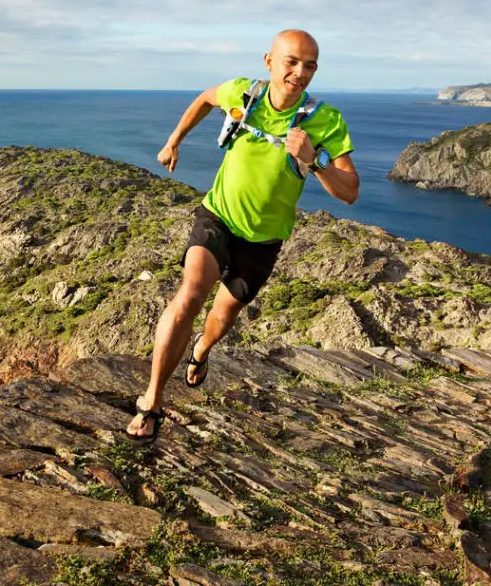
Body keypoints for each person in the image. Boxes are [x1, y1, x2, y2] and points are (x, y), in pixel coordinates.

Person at [125, 29, 360, 443]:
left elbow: (351, 191)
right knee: (191, 293)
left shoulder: (326, 121)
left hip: (263, 240)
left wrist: (314, 161)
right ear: (269, 61)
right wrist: (173, 141)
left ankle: (201, 351)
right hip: (218, 216)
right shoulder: (242, 93)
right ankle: (152, 400)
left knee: (221, 317)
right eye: (291, 62)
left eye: (309, 66)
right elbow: (204, 98)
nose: (299, 72)